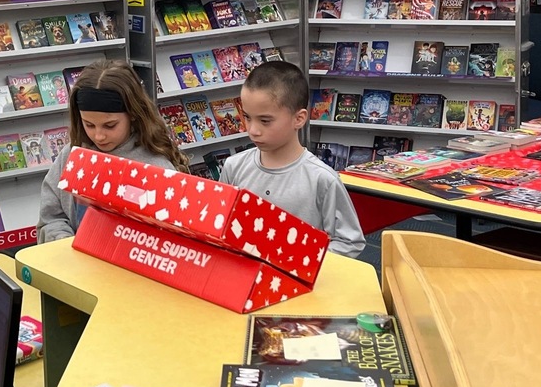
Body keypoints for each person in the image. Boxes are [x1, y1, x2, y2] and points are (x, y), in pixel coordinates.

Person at [220, 61, 365, 257]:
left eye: (265, 121)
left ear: (299, 119)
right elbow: (221, 223)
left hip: (298, 284)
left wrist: (303, 259)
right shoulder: (233, 167)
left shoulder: (322, 179)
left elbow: (349, 241)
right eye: (247, 117)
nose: (252, 130)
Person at [37, 59, 189, 242]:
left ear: (133, 114)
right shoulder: (71, 154)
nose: (99, 136)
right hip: (74, 263)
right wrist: (63, 241)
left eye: (110, 125)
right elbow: (51, 217)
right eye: (89, 125)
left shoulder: (158, 167)